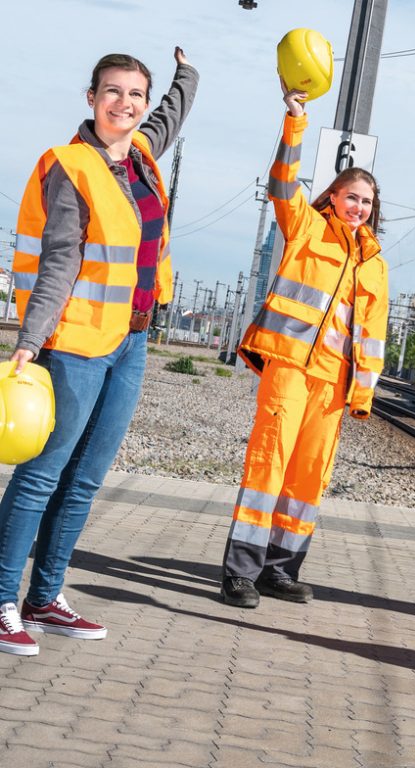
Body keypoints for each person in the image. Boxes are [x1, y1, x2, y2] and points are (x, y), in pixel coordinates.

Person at [0, 49, 199, 657]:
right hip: (76, 344)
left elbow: (168, 119)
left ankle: (44, 599)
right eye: (113, 91)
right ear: (91, 98)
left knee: (85, 479)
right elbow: (59, 259)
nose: (125, 103)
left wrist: (187, 77)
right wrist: (30, 339)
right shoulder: (71, 167)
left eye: (136, 94)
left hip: (130, 343)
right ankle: (2, 598)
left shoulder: (141, 157)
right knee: (42, 475)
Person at [220, 82, 388, 609]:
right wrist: (295, 121)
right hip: (290, 366)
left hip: (334, 384)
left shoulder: (376, 265)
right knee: (268, 465)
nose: (358, 206)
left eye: (366, 201)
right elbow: (282, 181)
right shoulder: (306, 226)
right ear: (333, 197)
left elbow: (373, 336)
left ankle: (280, 570)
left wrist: (362, 393)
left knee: (309, 477)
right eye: (351, 196)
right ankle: (240, 574)